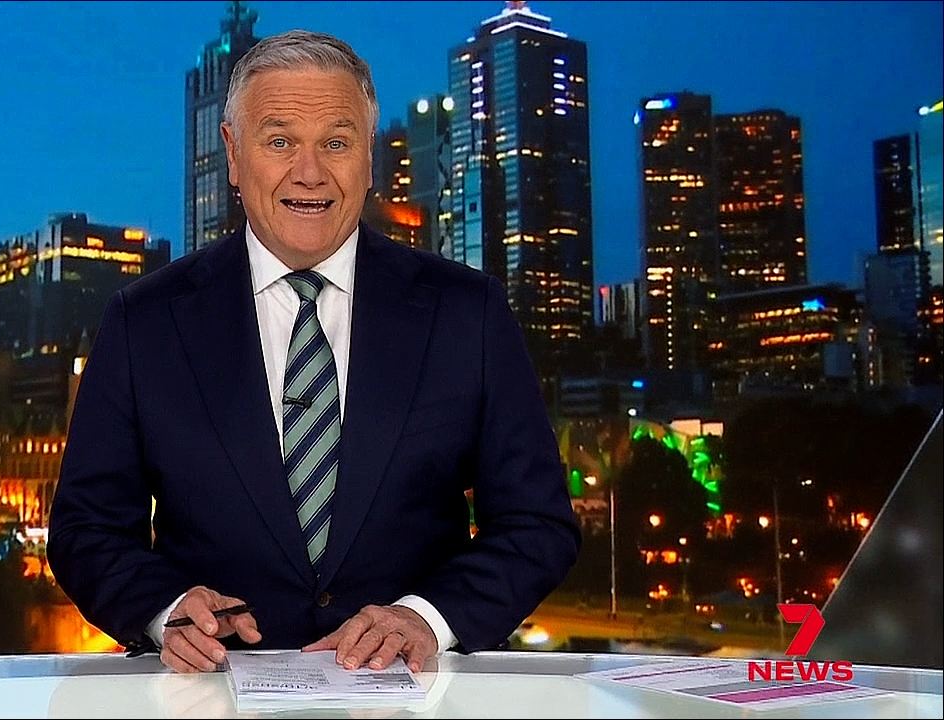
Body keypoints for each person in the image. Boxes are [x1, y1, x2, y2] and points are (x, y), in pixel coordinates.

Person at [48, 29, 580, 675]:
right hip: (212, 697)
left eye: (336, 142)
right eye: (280, 142)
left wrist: (428, 619)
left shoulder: (469, 313)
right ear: (233, 154)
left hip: (415, 698)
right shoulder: (144, 323)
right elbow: (86, 529)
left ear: (369, 157)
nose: (310, 172)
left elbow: (537, 524)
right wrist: (165, 609)